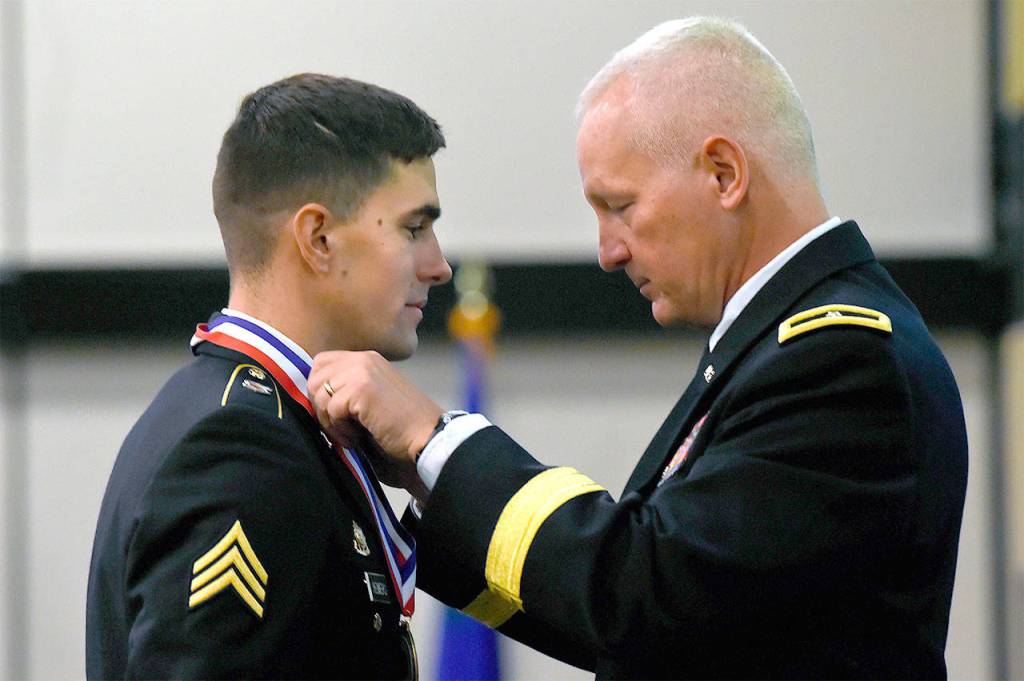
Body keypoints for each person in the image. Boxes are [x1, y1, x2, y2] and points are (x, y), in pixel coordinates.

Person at [309, 17, 969, 680]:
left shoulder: (841, 358)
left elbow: (645, 592)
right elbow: (647, 629)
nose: (607, 251)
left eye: (619, 205)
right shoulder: (781, 344)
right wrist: (436, 485)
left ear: (723, 173)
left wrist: (437, 440)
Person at [86, 73, 451, 679]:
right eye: (414, 229)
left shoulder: (248, 413)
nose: (437, 265)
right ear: (318, 238)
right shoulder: (240, 449)